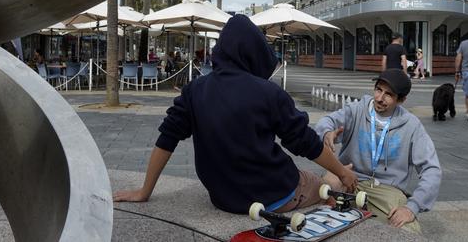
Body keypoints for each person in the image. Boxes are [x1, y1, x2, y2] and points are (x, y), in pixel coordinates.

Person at [113, 15, 358, 214]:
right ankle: (342, 176)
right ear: (255, 53)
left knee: (319, 175)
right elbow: (307, 143)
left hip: (224, 198)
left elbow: (167, 138)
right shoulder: (269, 93)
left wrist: (145, 190)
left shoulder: (195, 90)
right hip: (275, 194)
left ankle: (339, 172)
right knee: (322, 181)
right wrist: (342, 172)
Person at [315, 69, 441, 233]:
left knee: (408, 230)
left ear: (401, 100)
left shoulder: (411, 125)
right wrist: (327, 132)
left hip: (387, 190)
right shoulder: (357, 110)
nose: (380, 98)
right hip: (349, 178)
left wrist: (412, 207)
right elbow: (328, 121)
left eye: (388, 94)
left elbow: (431, 169)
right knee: (326, 187)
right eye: (378, 89)